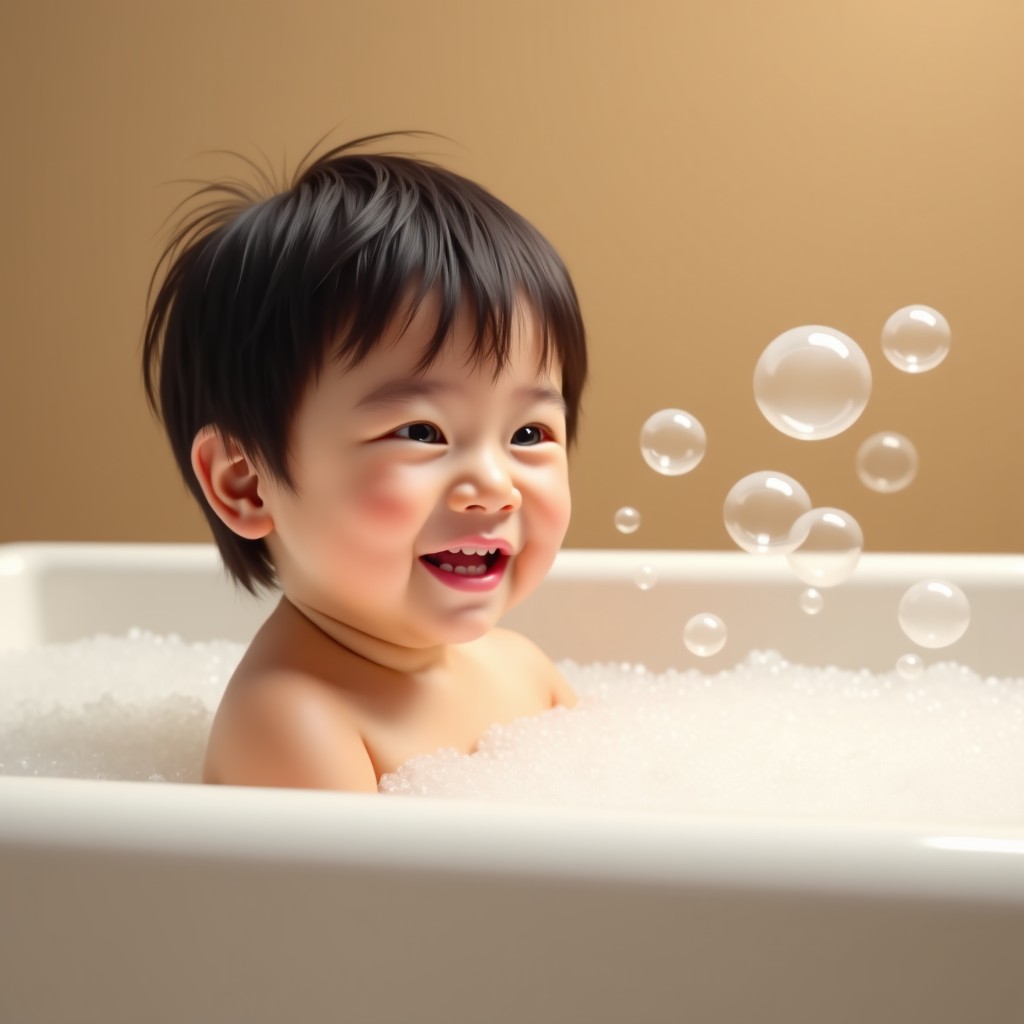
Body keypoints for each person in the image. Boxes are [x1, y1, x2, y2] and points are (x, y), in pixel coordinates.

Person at [142, 132, 588, 792]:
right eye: (422, 431)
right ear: (246, 483)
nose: (495, 487)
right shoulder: (292, 724)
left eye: (528, 433)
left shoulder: (522, 669)